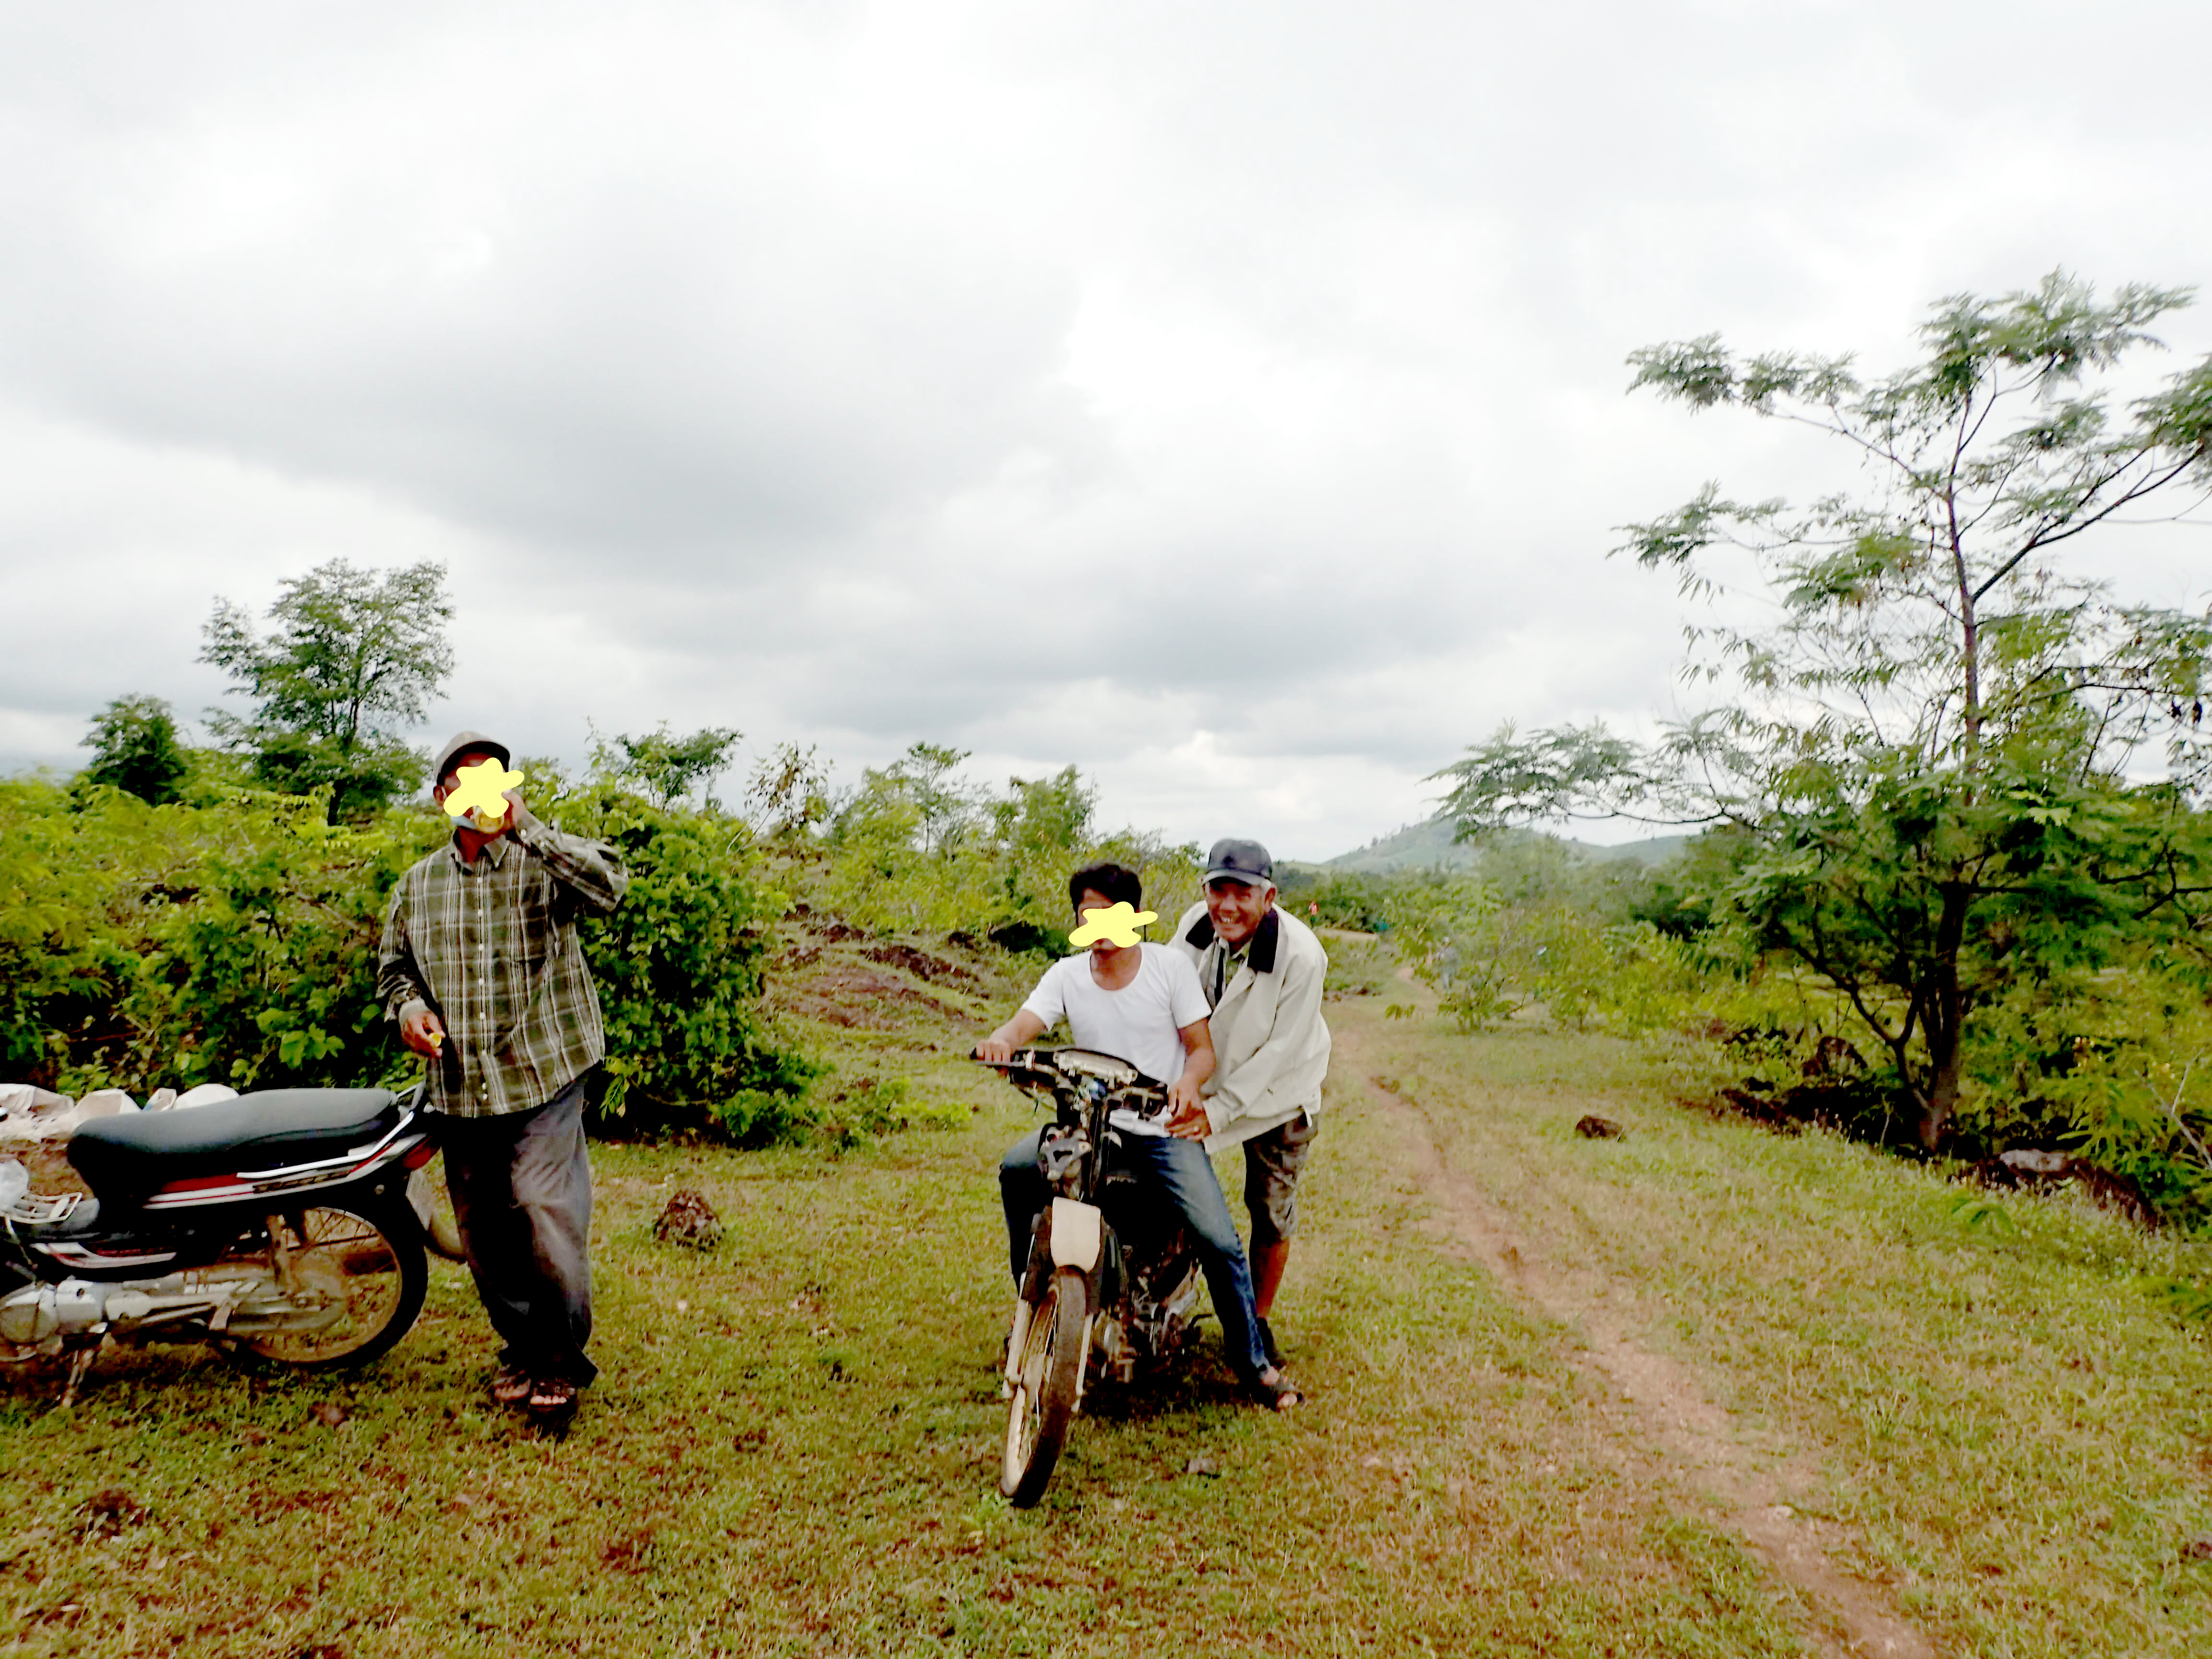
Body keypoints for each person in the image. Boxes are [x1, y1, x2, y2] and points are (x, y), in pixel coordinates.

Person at [978, 861, 1300, 1409]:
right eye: (1087, 913)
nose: (1098, 924)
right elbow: (1024, 1024)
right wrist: (1001, 1041)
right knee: (1016, 1170)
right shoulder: (1066, 975)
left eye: (1110, 913)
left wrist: (1188, 1086)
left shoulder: (1168, 970)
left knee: (1219, 1239)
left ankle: (1254, 1365)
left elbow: (1201, 1051)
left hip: (1160, 1128)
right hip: (1087, 1124)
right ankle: (1034, 1313)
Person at [376, 729, 629, 1419]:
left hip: (543, 1072)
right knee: (484, 1232)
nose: (479, 795)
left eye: (494, 781)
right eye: (465, 781)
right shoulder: (416, 888)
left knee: (544, 1208)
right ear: (440, 798)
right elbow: (394, 974)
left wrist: (528, 829)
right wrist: (410, 1012)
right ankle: (522, 1346)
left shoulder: (543, 864)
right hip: (461, 1085)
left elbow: (611, 887)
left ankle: (558, 1362)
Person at [1169, 838, 1331, 1369]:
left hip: (1281, 1094)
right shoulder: (1196, 926)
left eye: (1244, 893)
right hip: (1213, 1078)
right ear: (1205, 890)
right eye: (1219, 890)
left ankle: (1256, 1322)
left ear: (1270, 897)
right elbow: (1168, 1000)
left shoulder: (1302, 956)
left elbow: (1279, 1055)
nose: (1228, 906)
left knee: (1269, 1210)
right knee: (1176, 1184)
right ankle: (1166, 1299)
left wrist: (1216, 1113)